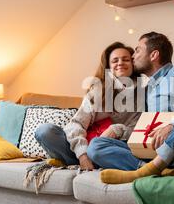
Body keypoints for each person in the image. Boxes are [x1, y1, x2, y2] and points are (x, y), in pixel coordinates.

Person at [87, 32, 174, 184]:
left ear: (154, 55)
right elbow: (144, 128)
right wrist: (120, 130)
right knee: (96, 146)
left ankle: (148, 171)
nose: (133, 56)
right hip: (160, 156)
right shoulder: (148, 89)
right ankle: (156, 170)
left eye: (138, 50)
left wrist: (172, 126)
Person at [34, 42, 142, 171]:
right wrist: (83, 154)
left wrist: (117, 129)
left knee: (97, 147)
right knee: (44, 131)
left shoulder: (142, 92)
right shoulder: (97, 91)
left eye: (126, 59)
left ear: (133, 64)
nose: (120, 63)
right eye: (115, 60)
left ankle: (103, 160)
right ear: (108, 67)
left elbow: (140, 131)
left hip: (114, 149)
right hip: (84, 148)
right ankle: (85, 162)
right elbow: (77, 124)